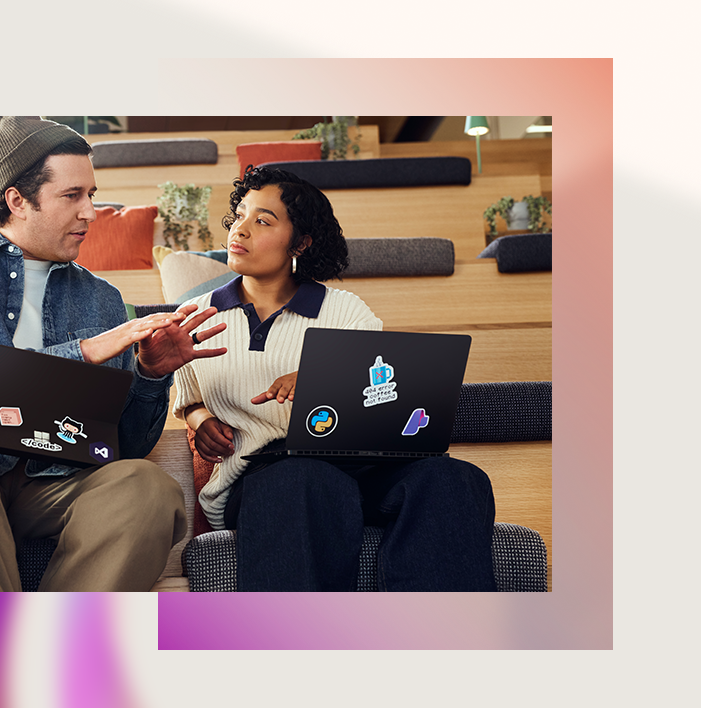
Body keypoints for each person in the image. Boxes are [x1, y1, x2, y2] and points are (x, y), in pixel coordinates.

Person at [0, 117, 227, 591]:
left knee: (149, 487)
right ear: (17, 200)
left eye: (91, 194)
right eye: (72, 195)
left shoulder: (101, 298)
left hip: (50, 482)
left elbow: (125, 445)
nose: (91, 212)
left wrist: (149, 374)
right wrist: (85, 352)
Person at [173, 165, 497, 591]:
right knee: (305, 479)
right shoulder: (198, 315)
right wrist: (200, 420)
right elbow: (189, 398)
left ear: (301, 242)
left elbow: (381, 394)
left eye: (263, 221)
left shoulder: (345, 310)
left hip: (362, 467)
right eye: (240, 216)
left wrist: (323, 380)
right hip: (269, 471)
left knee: (455, 478)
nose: (241, 229)